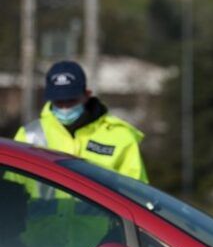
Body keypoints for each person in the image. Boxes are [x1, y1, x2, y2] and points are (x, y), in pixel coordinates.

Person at [14, 60, 148, 182]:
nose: (65, 108)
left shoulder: (120, 138)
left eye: (71, 100)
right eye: (59, 102)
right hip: (42, 210)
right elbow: (11, 187)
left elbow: (137, 193)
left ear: (87, 94)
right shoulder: (29, 135)